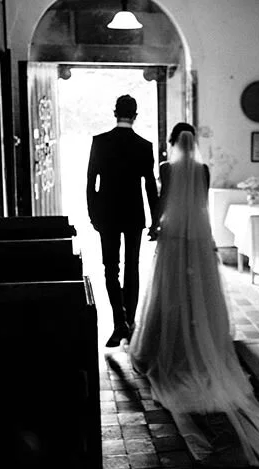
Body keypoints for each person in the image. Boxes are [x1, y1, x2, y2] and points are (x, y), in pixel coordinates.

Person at [129, 125, 259, 468]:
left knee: (170, 295)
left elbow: (165, 203)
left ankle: (170, 343)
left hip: (174, 240)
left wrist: (156, 226)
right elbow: (200, 204)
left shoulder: (166, 170)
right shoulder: (203, 170)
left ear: (171, 144)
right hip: (196, 239)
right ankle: (200, 341)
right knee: (200, 299)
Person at [87, 95, 159, 348]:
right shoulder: (144, 145)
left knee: (110, 267)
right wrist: (155, 219)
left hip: (107, 213)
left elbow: (91, 183)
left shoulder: (100, 142)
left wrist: (93, 214)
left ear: (114, 112)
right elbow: (150, 186)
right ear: (135, 115)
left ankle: (119, 320)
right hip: (133, 215)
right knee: (132, 266)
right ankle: (131, 321)